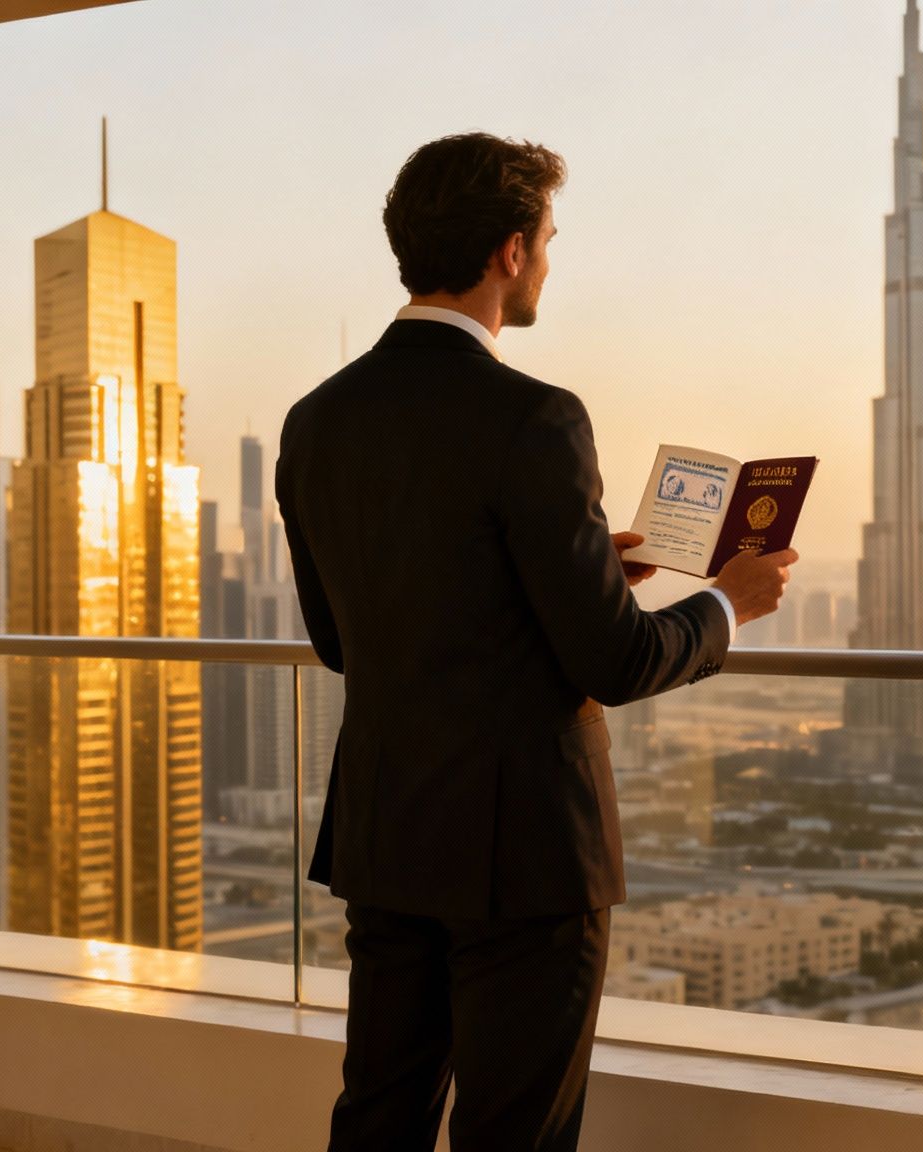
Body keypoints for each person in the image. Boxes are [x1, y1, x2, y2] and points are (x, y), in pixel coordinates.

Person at [276, 133, 798, 1151]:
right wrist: (729, 603)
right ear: (510, 253)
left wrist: (576, 569)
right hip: (524, 857)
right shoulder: (536, 420)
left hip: (387, 832)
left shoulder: (316, 421)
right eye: (549, 239)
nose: (550, 260)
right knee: (514, 1133)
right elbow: (618, 662)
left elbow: (344, 640)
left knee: (377, 1113)